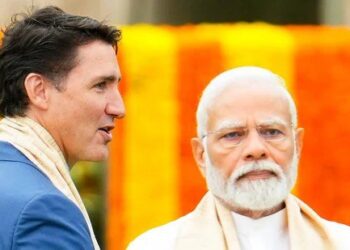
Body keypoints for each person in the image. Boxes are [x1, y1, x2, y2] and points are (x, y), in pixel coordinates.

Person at [128, 66, 350, 250]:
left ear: (297, 144)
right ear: (201, 155)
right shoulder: (156, 246)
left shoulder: (342, 242)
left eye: (272, 132)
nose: (255, 149)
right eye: (233, 135)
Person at [0, 6, 124, 250]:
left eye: (116, 85)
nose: (119, 108)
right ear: (39, 90)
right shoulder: (43, 210)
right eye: (100, 85)